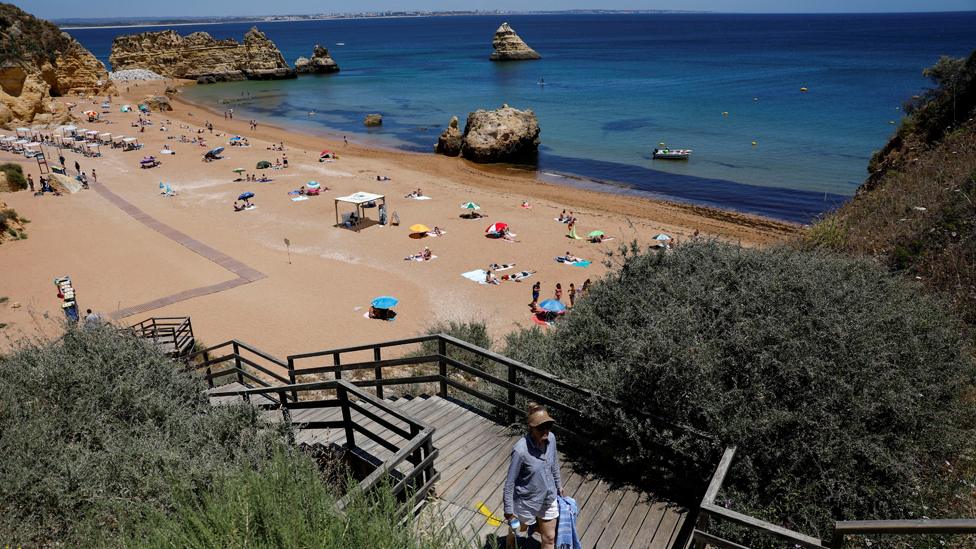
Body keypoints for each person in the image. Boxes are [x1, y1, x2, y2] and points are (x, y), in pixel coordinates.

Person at [504, 403, 561, 549]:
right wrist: (509, 511)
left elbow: (554, 463)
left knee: (549, 538)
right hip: (526, 502)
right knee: (518, 527)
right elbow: (510, 482)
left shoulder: (552, 438)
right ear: (531, 427)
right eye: (540, 427)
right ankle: (511, 535)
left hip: (548, 497)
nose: (546, 430)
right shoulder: (520, 450)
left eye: (548, 426)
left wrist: (558, 484)